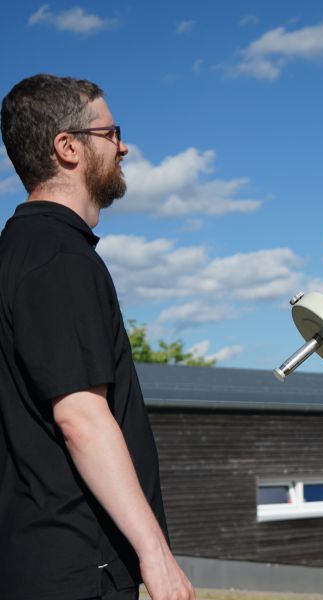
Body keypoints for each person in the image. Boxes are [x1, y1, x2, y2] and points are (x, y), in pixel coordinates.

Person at [0, 74, 194, 600]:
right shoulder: (61, 260)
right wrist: (157, 557)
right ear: (68, 147)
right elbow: (81, 418)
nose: (123, 146)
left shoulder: (19, 251)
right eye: (111, 134)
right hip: (77, 571)